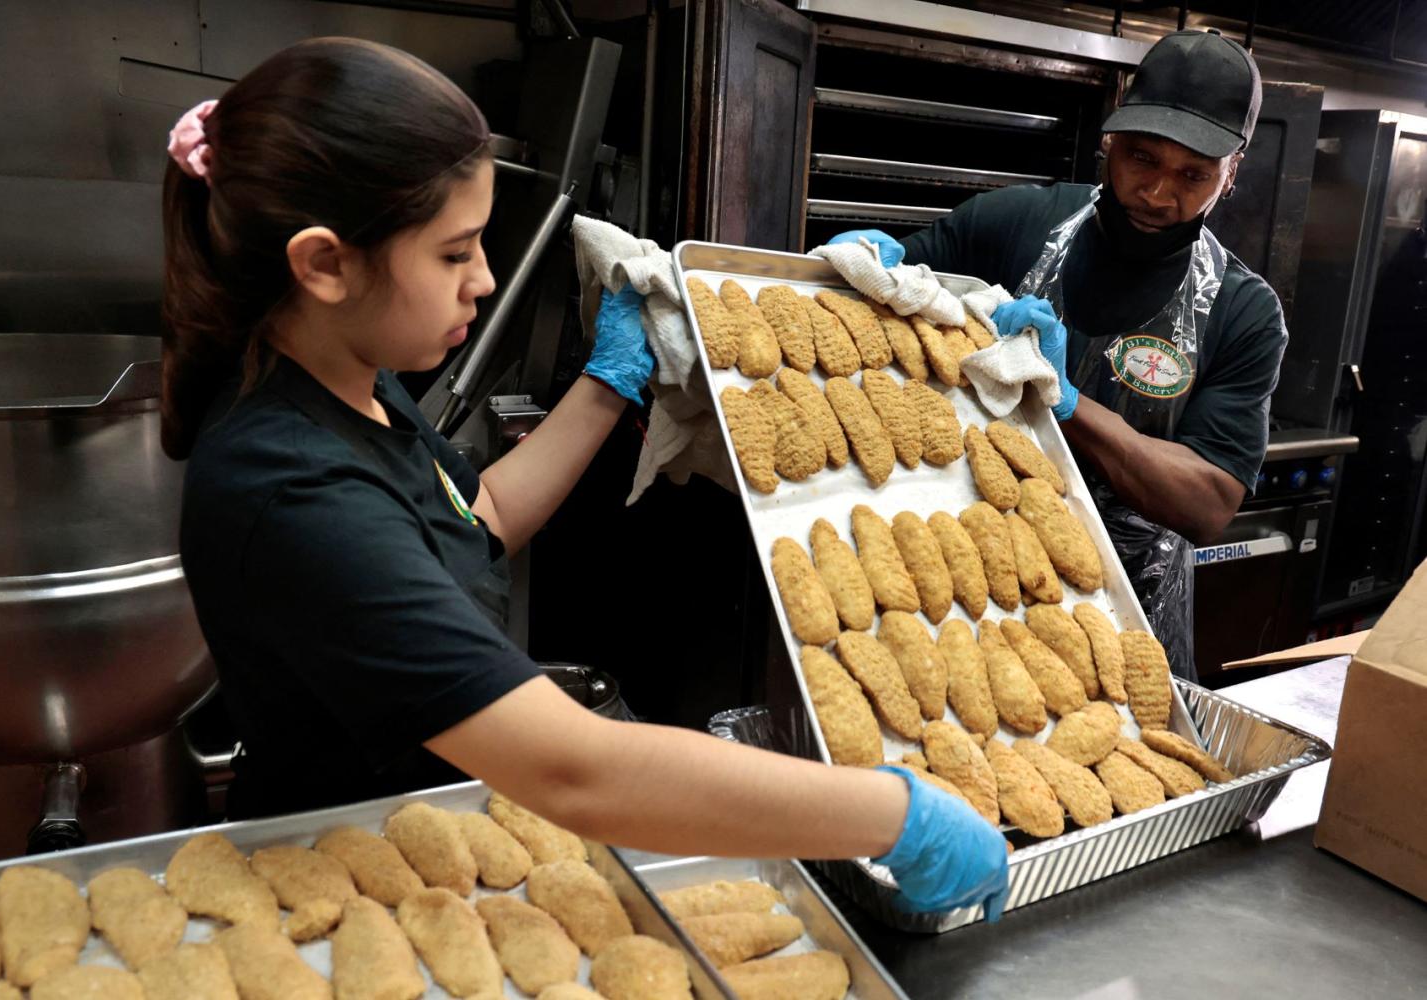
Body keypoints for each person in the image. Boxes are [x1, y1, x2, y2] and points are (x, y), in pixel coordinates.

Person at [163, 37, 1006, 917]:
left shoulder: (349, 380)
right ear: (326, 265)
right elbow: (575, 769)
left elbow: (475, 515)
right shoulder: (292, 487)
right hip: (344, 889)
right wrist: (890, 815)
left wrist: (607, 385)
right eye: (454, 254)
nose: (484, 280)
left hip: (445, 839)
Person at [830, 29, 1286, 680]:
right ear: (1110, 140)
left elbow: (1208, 503)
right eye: (1141, 158)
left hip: (1125, 619)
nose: (1158, 193)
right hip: (959, 587)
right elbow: (871, 307)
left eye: (1193, 174)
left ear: (1232, 172)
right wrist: (847, 272)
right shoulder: (1008, 225)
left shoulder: (1244, 312)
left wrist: (1063, 403)